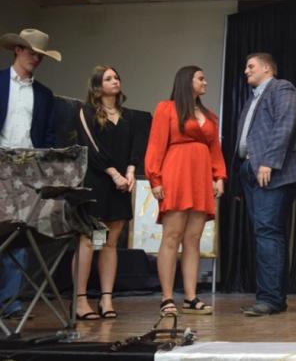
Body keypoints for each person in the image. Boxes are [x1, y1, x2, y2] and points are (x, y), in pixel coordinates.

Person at [145, 66, 226, 316]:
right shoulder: (166, 108)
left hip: (200, 177)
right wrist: (155, 179)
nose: (205, 82)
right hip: (176, 175)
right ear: (186, 80)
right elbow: (156, 145)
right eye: (201, 78)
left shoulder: (209, 115)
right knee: (172, 236)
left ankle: (191, 297)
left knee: (193, 239)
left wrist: (219, 176)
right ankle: (167, 297)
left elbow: (215, 149)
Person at [236, 53, 296, 316]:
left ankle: (271, 300)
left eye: (251, 66)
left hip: (273, 170)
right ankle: (269, 297)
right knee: (264, 232)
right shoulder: (253, 98)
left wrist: (268, 161)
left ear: (267, 68)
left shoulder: (282, 87)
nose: (246, 71)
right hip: (253, 170)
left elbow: (285, 124)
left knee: (268, 231)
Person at [73, 66, 145, 320]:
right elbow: (91, 147)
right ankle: (80, 300)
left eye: (117, 76)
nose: (115, 81)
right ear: (97, 85)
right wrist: (114, 174)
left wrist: (130, 172)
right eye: (108, 78)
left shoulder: (128, 116)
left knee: (110, 242)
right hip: (98, 181)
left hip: (121, 184)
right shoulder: (87, 112)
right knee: (89, 239)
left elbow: (136, 146)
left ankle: (106, 298)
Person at [0, 28, 59, 320]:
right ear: (18, 50)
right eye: (32, 52)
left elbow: (48, 135)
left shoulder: (45, 95)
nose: (36, 58)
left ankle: (9, 302)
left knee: (18, 237)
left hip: (26, 171)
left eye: (40, 55)